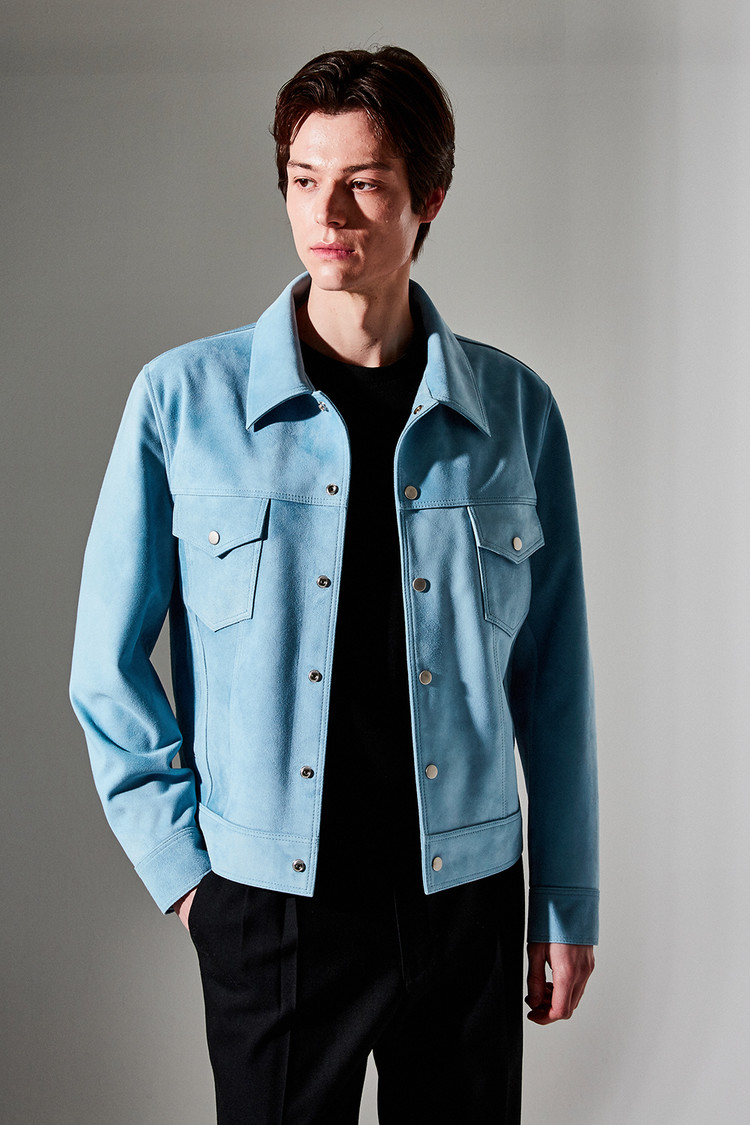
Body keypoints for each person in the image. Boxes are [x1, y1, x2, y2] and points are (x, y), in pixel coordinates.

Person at [70, 45, 598, 1124]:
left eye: (365, 183)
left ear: (429, 197)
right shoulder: (182, 401)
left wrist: (565, 899)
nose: (328, 213)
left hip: (465, 901)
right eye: (305, 179)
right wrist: (188, 878)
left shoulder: (516, 413)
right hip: (274, 909)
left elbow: (555, 683)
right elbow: (105, 666)